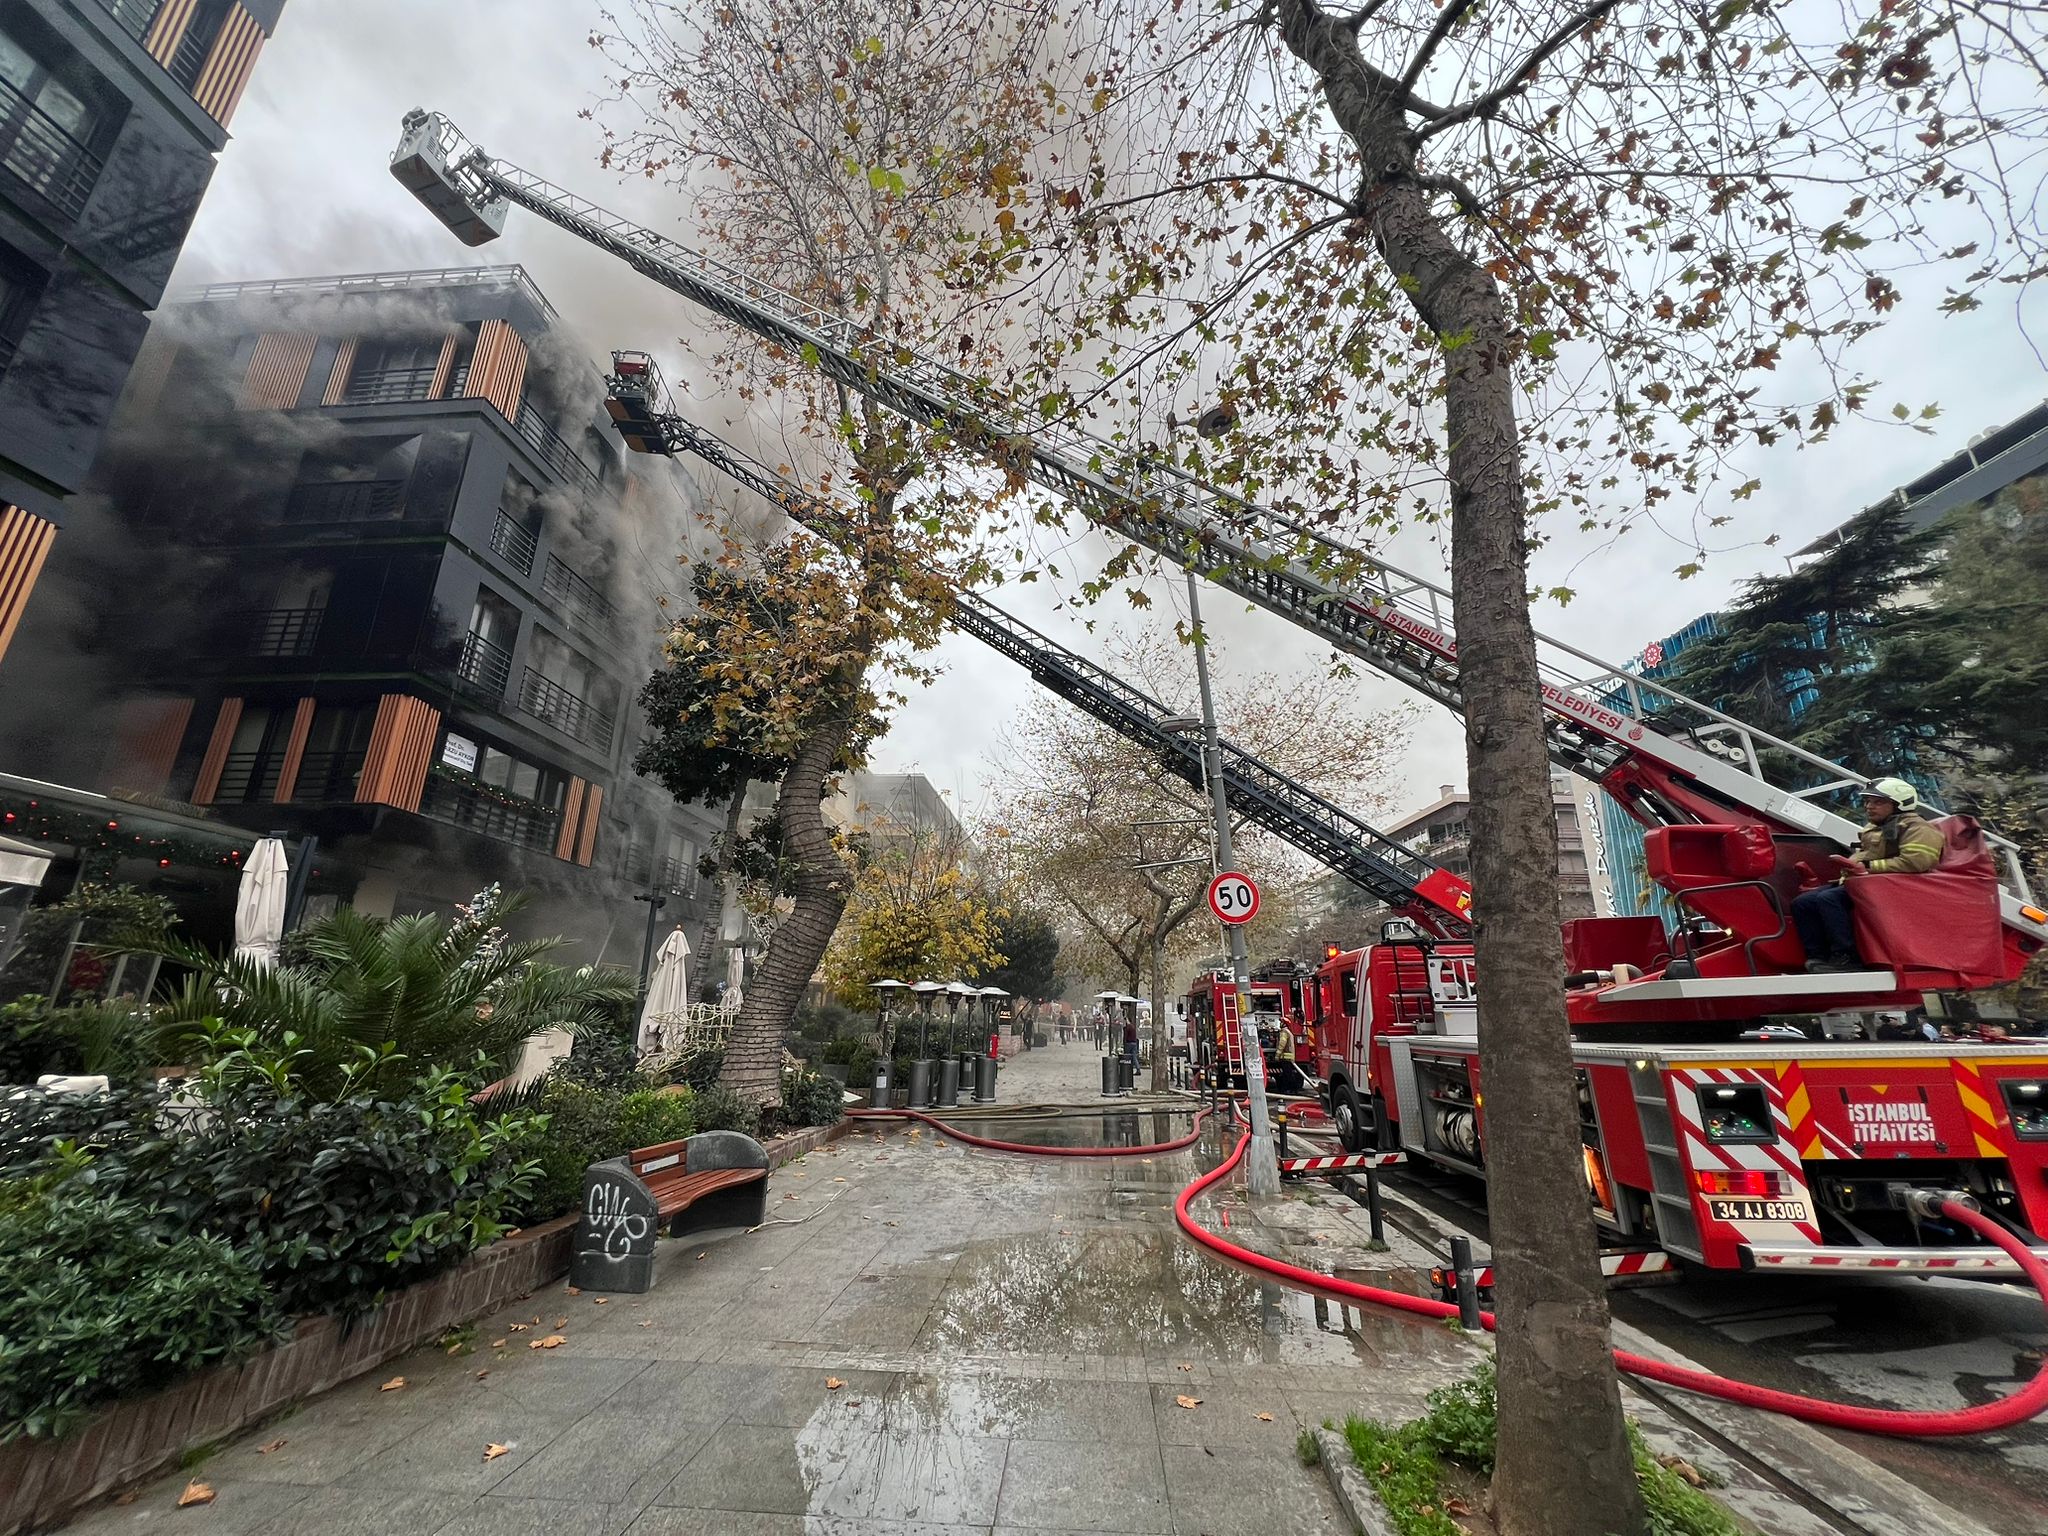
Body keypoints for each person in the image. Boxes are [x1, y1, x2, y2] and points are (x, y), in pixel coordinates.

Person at [1791, 778, 1946, 974]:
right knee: (1803, 903)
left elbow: (1917, 862)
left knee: (1828, 899)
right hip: (1871, 883)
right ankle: (1818, 958)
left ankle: (1848, 958)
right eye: (1867, 802)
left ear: (1900, 803)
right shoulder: (1877, 827)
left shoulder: (1918, 829)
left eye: (1878, 802)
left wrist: (1867, 867)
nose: (1869, 807)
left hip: (1898, 888)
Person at [1272, 1017, 1303, 1093]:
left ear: (1284, 1024)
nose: (1279, 1024)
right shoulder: (1288, 1031)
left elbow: (1282, 1044)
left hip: (1285, 1057)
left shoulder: (1284, 1032)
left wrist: (1277, 1055)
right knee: (1287, 1074)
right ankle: (1287, 1089)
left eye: (1281, 1022)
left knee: (1288, 1074)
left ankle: (1292, 1089)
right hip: (1289, 1057)